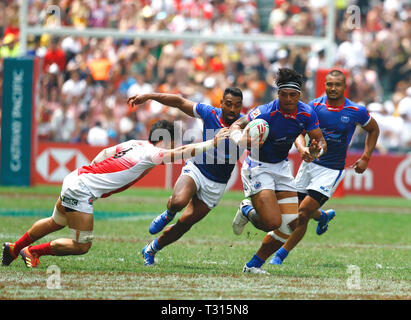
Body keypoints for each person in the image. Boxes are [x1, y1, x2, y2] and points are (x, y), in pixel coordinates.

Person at [2, 120, 230, 268]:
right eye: (171, 141)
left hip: (75, 178)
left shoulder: (135, 143)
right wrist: (212, 143)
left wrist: (90, 175)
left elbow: (104, 153)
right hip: (81, 189)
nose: (172, 145)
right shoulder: (152, 153)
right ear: (164, 140)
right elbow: (181, 152)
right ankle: (31, 251)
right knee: (82, 245)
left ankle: (14, 248)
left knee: (56, 222)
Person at [243, 69, 380, 272]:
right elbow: (299, 131)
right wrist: (303, 148)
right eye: (329, 84)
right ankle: (322, 216)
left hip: (331, 170)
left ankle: (279, 255)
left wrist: (366, 157)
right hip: (308, 166)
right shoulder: (313, 107)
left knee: (300, 213)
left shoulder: (356, 111)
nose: (333, 88)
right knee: (289, 213)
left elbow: (373, 129)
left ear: (345, 86)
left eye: (337, 84)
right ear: (324, 85)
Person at [127, 87, 243, 266]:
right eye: (228, 104)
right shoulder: (210, 113)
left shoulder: (246, 123)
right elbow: (179, 102)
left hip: (217, 184)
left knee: (184, 224)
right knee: (178, 202)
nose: (233, 110)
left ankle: (151, 249)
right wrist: (149, 96)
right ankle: (169, 212)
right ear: (221, 104)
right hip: (197, 169)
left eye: (237, 105)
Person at [228, 68, 327, 274]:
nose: (288, 99)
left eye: (293, 95)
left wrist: (315, 151)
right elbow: (236, 125)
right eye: (284, 94)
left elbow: (321, 142)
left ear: (299, 95)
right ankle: (247, 209)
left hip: (281, 167)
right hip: (258, 166)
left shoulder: (307, 113)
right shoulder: (265, 112)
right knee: (271, 222)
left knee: (290, 225)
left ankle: (253, 266)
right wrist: (242, 139)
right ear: (278, 93)